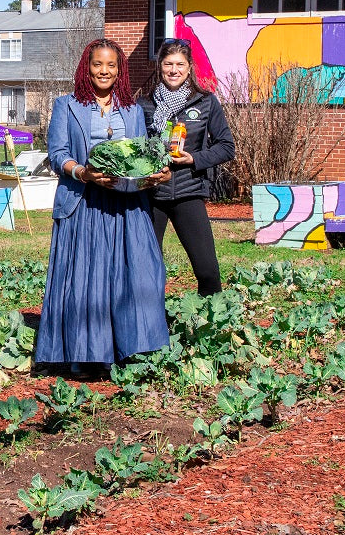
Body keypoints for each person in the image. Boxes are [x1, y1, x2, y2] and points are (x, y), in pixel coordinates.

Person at [36, 38, 172, 376]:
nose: (104, 71)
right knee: (86, 277)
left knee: (135, 274)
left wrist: (154, 174)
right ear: (87, 67)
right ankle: (85, 355)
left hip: (126, 205)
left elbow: (141, 156)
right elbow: (58, 155)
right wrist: (84, 173)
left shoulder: (132, 109)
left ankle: (133, 348)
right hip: (84, 203)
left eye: (111, 65)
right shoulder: (66, 106)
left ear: (120, 70)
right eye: (98, 64)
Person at [139, 37, 235, 296]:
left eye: (180, 64)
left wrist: (194, 159)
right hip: (151, 196)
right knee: (146, 269)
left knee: (207, 269)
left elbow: (227, 146)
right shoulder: (144, 104)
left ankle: (211, 322)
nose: (174, 70)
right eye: (168, 63)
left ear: (190, 67)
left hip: (189, 192)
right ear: (159, 66)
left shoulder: (206, 102)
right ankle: (151, 325)